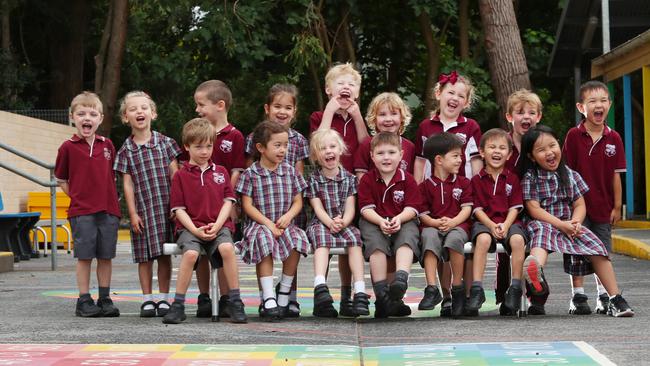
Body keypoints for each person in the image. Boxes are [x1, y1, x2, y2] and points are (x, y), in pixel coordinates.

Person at [520, 125, 634, 317]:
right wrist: (559, 224)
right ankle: (535, 271)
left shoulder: (570, 174)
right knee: (540, 237)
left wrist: (575, 223)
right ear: (531, 157)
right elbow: (534, 209)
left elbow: (580, 204)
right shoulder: (531, 177)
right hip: (544, 222)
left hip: (569, 224)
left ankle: (615, 298)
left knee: (597, 247)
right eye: (541, 150)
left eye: (552, 146)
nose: (549, 152)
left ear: (559, 146)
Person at [412, 70, 483, 316]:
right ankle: (445, 295)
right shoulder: (425, 126)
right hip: (432, 196)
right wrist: (416, 191)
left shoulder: (470, 126)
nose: (454, 98)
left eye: (461, 95)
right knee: (434, 239)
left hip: (459, 196)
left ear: (466, 102)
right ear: (438, 94)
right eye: (450, 92)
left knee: (456, 241)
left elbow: (475, 162)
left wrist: (475, 192)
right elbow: (420, 162)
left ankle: (461, 290)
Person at [164, 118, 247, 324]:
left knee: (227, 249)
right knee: (191, 253)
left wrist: (218, 226)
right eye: (198, 147)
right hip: (190, 227)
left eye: (209, 146)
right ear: (187, 147)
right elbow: (178, 210)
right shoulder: (180, 177)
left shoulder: (221, 172)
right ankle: (178, 305)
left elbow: (228, 202)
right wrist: (195, 229)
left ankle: (235, 301)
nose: (204, 151)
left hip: (218, 226)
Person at [114, 91, 182, 317]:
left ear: (153, 113)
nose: (139, 112)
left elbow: (176, 177)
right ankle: (147, 299)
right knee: (144, 257)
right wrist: (132, 214)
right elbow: (128, 185)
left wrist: (177, 206)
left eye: (143, 108)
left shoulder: (166, 143)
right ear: (126, 117)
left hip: (165, 209)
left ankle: (163, 298)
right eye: (133, 109)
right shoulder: (126, 150)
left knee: (164, 254)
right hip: (144, 211)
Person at [245, 84, 309, 317]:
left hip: (286, 213)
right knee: (264, 242)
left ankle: (286, 297)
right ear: (267, 108)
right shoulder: (254, 150)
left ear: (295, 111)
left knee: (294, 241)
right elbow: (247, 198)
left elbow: (298, 187)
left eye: (288, 107)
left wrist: (290, 216)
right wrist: (268, 223)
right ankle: (268, 298)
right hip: (262, 217)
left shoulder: (298, 143)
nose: (282, 111)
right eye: (277, 106)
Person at [310, 63, 369, 315]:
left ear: (356, 92)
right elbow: (319, 143)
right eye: (340, 84)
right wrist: (329, 111)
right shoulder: (319, 116)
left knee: (348, 241)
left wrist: (356, 116)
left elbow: (366, 144)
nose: (346, 88)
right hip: (324, 185)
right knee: (324, 239)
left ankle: (349, 295)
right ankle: (321, 296)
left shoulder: (358, 115)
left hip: (348, 186)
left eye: (351, 84)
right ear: (328, 89)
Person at [54, 91, 121, 318]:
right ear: (72, 117)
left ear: (100, 119)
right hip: (82, 212)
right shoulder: (68, 147)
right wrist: (78, 196)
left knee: (105, 256)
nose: (87, 118)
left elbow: (112, 176)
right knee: (84, 256)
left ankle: (104, 298)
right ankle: (83, 299)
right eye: (81, 113)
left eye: (93, 114)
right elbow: (61, 179)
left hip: (108, 210)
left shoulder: (108, 145)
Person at [563, 80, 626, 315]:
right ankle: (577, 296)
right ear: (581, 107)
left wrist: (617, 206)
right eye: (592, 101)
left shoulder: (615, 138)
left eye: (603, 100)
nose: (598, 105)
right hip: (577, 206)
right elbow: (566, 172)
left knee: (602, 250)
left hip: (603, 205)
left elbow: (616, 176)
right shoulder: (573, 135)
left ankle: (604, 295)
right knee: (577, 250)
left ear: (609, 104)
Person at [189, 80, 246, 319]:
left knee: (223, 249)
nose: (197, 109)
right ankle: (204, 297)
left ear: (220, 105)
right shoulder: (196, 133)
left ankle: (227, 298)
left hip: (223, 206)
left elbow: (236, 170)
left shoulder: (235, 136)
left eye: (201, 104)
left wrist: (229, 201)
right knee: (200, 250)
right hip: (198, 206)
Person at [305, 129, 369, 318]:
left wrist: (343, 222)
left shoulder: (349, 179)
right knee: (321, 239)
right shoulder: (314, 180)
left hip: (343, 222)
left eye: (332, 146)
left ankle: (359, 290)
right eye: (322, 148)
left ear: (340, 150)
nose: (328, 151)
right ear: (316, 155)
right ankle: (320, 285)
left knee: (355, 238)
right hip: (321, 222)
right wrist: (329, 222)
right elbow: (317, 207)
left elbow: (351, 207)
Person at [357, 132, 422, 318]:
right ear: (372, 156)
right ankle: (382, 296)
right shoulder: (368, 180)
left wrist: (400, 218)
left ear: (401, 155)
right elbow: (365, 209)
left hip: (402, 218)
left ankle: (400, 280)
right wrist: (380, 221)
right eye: (380, 153)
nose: (386, 157)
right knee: (375, 243)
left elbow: (413, 207)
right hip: (374, 220)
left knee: (408, 236)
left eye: (391, 152)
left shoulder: (407, 179)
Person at [467, 128, 527, 315]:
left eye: (502, 148)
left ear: (509, 154)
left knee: (518, 241)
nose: (497, 151)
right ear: (482, 152)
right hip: (485, 223)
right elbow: (476, 209)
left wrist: (506, 225)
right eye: (492, 147)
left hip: (509, 223)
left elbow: (515, 207)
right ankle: (477, 288)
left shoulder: (512, 178)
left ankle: (515, 288)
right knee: (483, 240)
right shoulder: (476, 180)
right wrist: (492, 226)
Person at [496, 89, 544, 315]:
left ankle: (537, 296)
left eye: (531, 113)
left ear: (538, 117)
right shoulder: (501, 146)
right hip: (506, 211)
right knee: (508, 245)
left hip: (537, 209)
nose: (526, 117)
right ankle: (507, 295)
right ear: (509, 117)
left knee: (538, 245)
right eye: (520, 112)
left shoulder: (542, 144)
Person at [417, 133, 472, 318]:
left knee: (454, 239)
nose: (460, 160)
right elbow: (422, 213)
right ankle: (432, 288)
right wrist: (432, 222)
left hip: (458, 225)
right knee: (428, 236)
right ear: (439, 160)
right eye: (455, 156)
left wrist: (454, 222)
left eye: (461, 155)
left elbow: (467, 209)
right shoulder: (425, 186)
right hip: (434, 225)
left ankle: (457, 288)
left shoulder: (463, 183)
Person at [353, 92, 415, 179]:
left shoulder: (410, 147)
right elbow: (361, 175)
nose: (388, 119)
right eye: (382, 114)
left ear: (401, 117)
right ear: (374, 119)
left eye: (393, 113)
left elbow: (411, 177)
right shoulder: (367, 144)